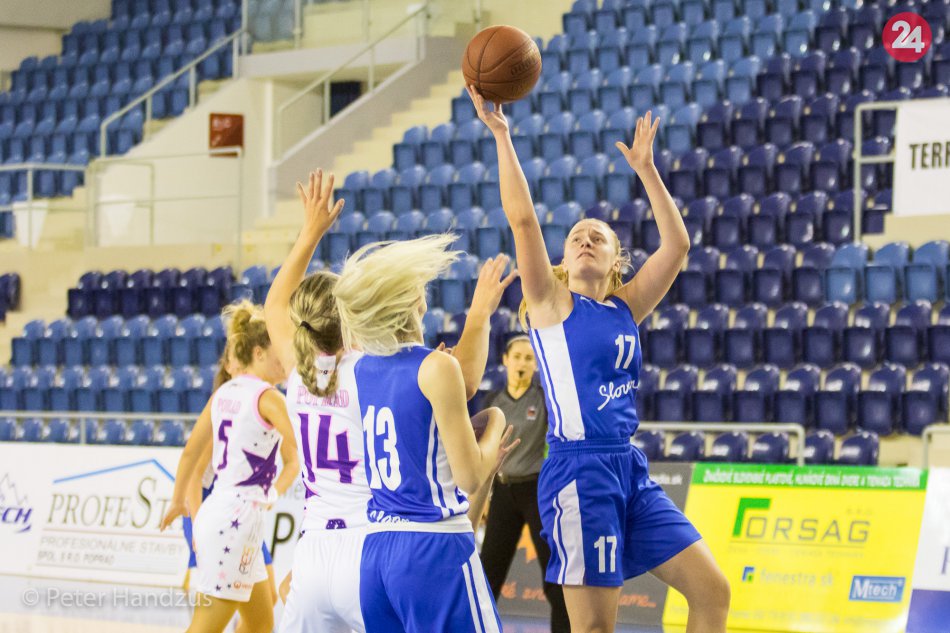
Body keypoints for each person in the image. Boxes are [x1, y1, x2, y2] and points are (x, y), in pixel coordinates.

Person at [468, 86, 731, 633]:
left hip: (628, 466)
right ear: (563, 261)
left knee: (712, 591)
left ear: (615, 262)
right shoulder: (550, 303)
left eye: (598, 237)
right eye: (576, 237)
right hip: (578, 469)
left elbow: (677, 246)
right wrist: (502, 137)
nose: (586, 240)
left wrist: (647, 171)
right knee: (592, 628)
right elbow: (523, 222)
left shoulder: (626, 306)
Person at [263, 170, 519, 632]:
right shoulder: (366, 367)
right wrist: (479, 315)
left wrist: (310, 232)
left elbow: (274, 305)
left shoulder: (300, 375)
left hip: (315, 545)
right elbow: (461, 382)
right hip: (371, 539)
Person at [332, 234, 512, 633]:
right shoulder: (434, 367)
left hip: (377, 555)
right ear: (415, 300)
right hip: (433, 547)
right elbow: (470, 477)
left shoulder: (360, 370)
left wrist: (480, 314)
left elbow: (439, 393)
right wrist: (497, 420)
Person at [161, 302, 300, 633]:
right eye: (279, 354)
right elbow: (305, 440)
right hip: (235, 520)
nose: (285, 361)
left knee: (260, 623)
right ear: (258, 353)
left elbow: (190, 454)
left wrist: (179, 500)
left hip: (227, 514)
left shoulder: (224, 393)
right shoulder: (268, 397)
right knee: (205, 627)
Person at [478, 334, 570, 633]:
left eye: (529, 358)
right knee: (488, 573)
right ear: (505, 360)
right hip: (502, 491)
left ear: (535, 365)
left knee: (553, 573)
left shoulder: (543, 398)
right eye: (517, 357)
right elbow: (482, 452)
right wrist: (483, 496)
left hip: (536, 492)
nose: (522, 363)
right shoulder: (492, 402)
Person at [180, 342, 279, 618]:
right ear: (230, 366)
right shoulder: (226, 405)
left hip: (242, 514)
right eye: (235, 358)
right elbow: (194, 473)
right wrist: (196, 523)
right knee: (210, 615)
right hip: (213, 511)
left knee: (266, 605)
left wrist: (275, 491)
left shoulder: (253, 403)